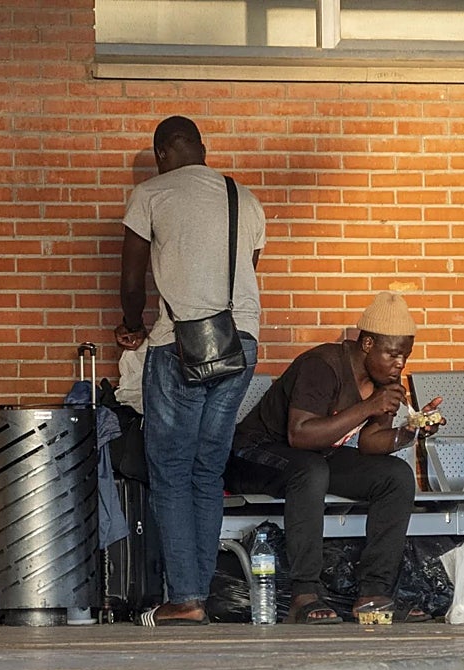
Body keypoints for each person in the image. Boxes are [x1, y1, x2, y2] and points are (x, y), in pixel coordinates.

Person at [115, 116, 266, 627]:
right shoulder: (243, 198)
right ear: (202, 149)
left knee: (173, 471)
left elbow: (132, 275)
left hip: (180, 346)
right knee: (208, 471)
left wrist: (132, 325)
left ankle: (185, 598)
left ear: (162, 153)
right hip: (239, 342)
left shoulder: (150, 195)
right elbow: (250, 266)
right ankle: (197, 592)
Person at [225, 292, 444, 624]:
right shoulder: (323, 365)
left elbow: (370, 443)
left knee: (395, 476)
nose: (399, 364)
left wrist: (413, 432)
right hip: (252, 454)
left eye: (405, 356)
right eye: (393, 354)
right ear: (367, 344)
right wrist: (369, 406)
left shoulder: (384, 379)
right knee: (311, 471)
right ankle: (304, 595)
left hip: (314, 458)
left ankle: (373, 594)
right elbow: (300, 434)